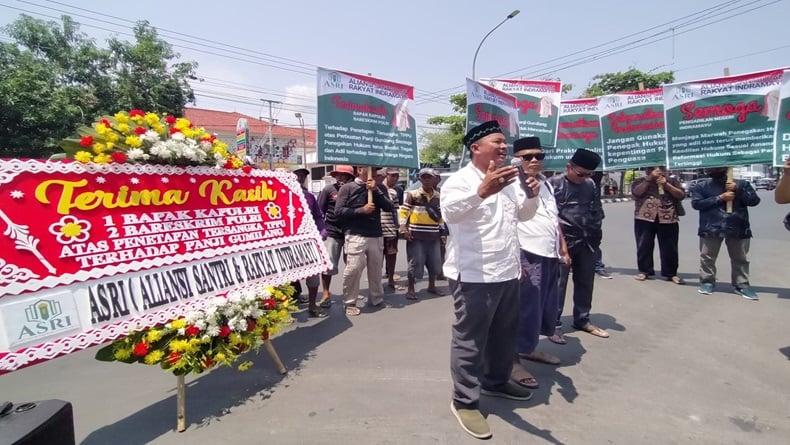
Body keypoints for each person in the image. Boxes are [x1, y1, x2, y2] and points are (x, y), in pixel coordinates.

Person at [442, 120, 540, 440]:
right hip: (473, 275)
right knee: (470, 341)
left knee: (503, 334)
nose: (503, 147)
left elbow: (522, 217)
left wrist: (532, 195)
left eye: (504, 142)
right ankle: (465, 401)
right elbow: (451, 214)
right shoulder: (458, 181)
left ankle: (497, 382)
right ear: (476, 148)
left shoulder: (510, 180)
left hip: (507, 271)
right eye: (497, 142)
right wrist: (481, 192)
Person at [509, 137, 568, 390]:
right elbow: (507, 221)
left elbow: (553, 219)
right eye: (528, 156)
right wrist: (514, 258)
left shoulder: (545, 183)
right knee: (521, 310)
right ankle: (511, 361)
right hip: (525, 252)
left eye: (539, 156)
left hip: (548, 253)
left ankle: (529, 349)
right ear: (517, 159)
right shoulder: (510, 183)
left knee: (542, 307)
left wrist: (562, 246)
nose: (534, 161)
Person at [550, 149, 609, 344]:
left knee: (585, 282)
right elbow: (550, 217)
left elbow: (597, 209)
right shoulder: (554, 184)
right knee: (558, 286)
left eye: (589, 174)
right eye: (580, 174)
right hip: (563, 242)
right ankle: (554, 325)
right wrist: (560, 243)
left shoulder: (590, 184)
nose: (584, 178)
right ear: (569, 166)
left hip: (587, 241)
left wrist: (595, 231)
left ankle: (582, 319)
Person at [691, 167, 761, 300]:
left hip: (737, 227)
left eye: (719, 167)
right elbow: (696, 204)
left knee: (740, 258)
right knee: (707, 257)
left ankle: (742, 285)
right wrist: (720, 198)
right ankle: (707, 282)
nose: (715, 169)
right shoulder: (702, 186)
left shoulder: (742, 184)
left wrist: (738, 190)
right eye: (712, 167)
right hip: (710, 227)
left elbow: (754, 201)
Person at [334, 166, 393, 315]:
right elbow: (339, 212)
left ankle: (377, 298)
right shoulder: (347, 188)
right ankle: (350, 302)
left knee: (376, 270)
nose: (374, 173)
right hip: (355, 235)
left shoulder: (379, 188)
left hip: (376, 234)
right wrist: (361, 210)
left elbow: (388, 207)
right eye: (371, 170)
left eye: (375, 171)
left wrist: (376, 191)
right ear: (360, 170)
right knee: (353, 269)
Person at [631, 166, 686, 284]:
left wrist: (666, 184)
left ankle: (671, 273)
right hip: (644, 216)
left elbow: (680, 195)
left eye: (661, 168)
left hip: (668, 217)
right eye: (653, 168)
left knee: (670, 247)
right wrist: (649, 179)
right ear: (647, 170)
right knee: (643, 245)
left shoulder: (672, 180)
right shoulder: (640, 181)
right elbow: (636, 193)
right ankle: (644, 271)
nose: (658, 170)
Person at [399, 168, 445, 300]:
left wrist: (442, 231)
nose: (427, 180)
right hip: (416, 235)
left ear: (434, 179)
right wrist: (403, 227)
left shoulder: (438, 196)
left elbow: (439, 216)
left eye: (429, 177)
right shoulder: (413, 194)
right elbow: (404, 211)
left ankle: (432, 286)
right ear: (419, 179)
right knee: (415, 262)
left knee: (434, 262)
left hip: (433, 235)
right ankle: (411, 289)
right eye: (424, 177)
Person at [291, 167, 328, 317]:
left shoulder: (309, 197)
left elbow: (318, 216)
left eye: (303, 176)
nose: (300, 178)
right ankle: (288, 309)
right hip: (289, 244)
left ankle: (313, 305)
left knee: (313, 276)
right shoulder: (280, 195)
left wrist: (322, 230)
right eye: (297, 175)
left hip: (309, 242)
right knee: (289, 279)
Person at [317, 165, 355, 308]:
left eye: (345, 175)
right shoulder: (329, 190)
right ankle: (326, 293)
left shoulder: (356, 189)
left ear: (351, 177)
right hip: (332, 230)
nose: (341, 177)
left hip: (351, 231)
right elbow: (320, 211)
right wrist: (322, 230)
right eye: (338, 175)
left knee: (352, 264)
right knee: (329, 264)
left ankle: (350, 292)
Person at [381, 167, 404, 290]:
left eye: (397, 176)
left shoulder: (395, 192)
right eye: (392, 176)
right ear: (385, 175)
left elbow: (395, 211)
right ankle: (376, 281)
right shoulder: (376, 189)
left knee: (391, 254)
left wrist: (398, 226)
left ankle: (390, 279)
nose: (395, 178)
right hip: (378, 229)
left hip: (390, 228)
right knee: (377, 258)